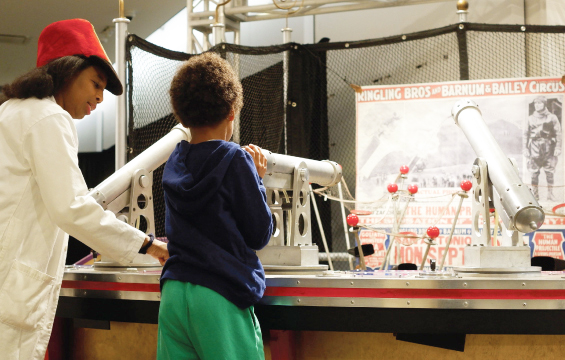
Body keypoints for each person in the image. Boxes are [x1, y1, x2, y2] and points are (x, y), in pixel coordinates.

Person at [0, 19, 169, 360]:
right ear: (66, 71)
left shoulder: (10, 111)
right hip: (10, 287)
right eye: (95, 83)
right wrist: (148, 245)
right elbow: (71, 208)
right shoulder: (49, 117)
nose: (98, 98)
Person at [157, 52, 273, 360]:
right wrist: (257, 181)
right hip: (219, 295)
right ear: (232, 110)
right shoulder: (236, 158)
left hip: (174, 293)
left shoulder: (175, 161)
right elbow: (259, 233)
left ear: (181, 116)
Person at [524, 95, 562, 201]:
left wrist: (558, 147)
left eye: (540, 103)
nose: (537, 105)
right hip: (535, 147)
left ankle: (550, 194)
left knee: (549, 172)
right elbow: (525, 135)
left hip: (548, 146)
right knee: (534, 173)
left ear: (544, 104)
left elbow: (558, 133)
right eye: (536, 103)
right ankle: (535, 195)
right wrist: (525, 149)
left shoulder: (552, 117)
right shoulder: (530, 119)